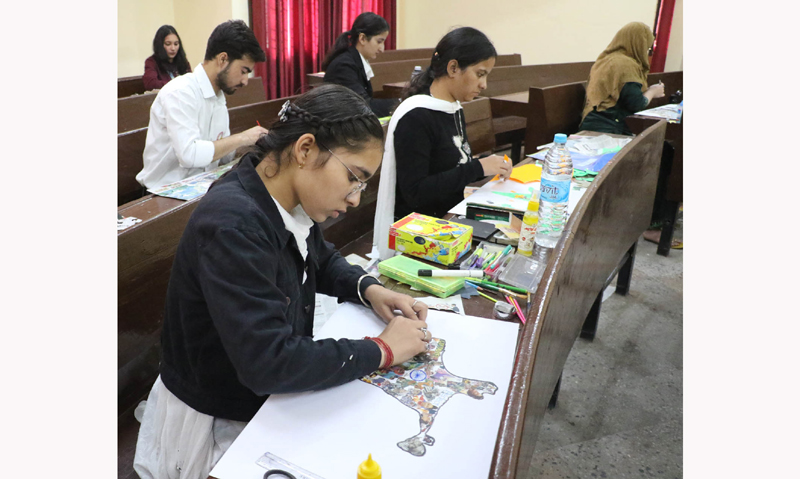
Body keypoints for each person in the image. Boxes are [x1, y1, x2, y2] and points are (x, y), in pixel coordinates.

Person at [132, 84, 432, 479]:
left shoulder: (279, 191)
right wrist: (382, 349)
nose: (355, 198)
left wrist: (369, 289)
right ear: (305, 149)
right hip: (220, 413)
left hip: (262, 395)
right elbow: (269, 362)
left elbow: (318, 256)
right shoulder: (234, 224)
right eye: (354, 178)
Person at [371, 27, 512, 260]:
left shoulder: (453, 107)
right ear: (453, 68)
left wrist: (487, 165)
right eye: (480, 74)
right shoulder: (416, 116)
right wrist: (478, 168)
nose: (484, 84)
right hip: (420, 233)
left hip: (449, 217)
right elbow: (416, 193)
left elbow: (453, 164)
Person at [136, 20, 269, 190]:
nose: (245, 81)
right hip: (162, 193)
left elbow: (225, 156)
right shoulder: (180, 92)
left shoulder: (218, 96)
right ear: (223, 59)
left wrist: (258, 145)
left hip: (201, 185)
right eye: (243, 71)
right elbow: (190, 155)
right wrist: (243, 138)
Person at [579, 22, 665, 136]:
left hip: (593, 122)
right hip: (607, 128)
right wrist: (653, 91)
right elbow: (636, 103)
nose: (645, 52)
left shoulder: (606, 59)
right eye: (646, 48)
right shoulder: (625, 65)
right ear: (638, 45)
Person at [322, 12, 398, 117]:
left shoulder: (355, 60)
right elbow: (364, 107)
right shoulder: (344, 66)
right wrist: (401, 102)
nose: (382, 49)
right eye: (379, 42)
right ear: (362, 38)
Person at [143, 25, 192, 91]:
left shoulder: (183, 62)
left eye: (176, 44)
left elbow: (191, 82)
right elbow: (150, 84)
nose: (173, 48)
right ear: (160, 45)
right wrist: (177, 84)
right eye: (168, 44)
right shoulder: (152, 62)